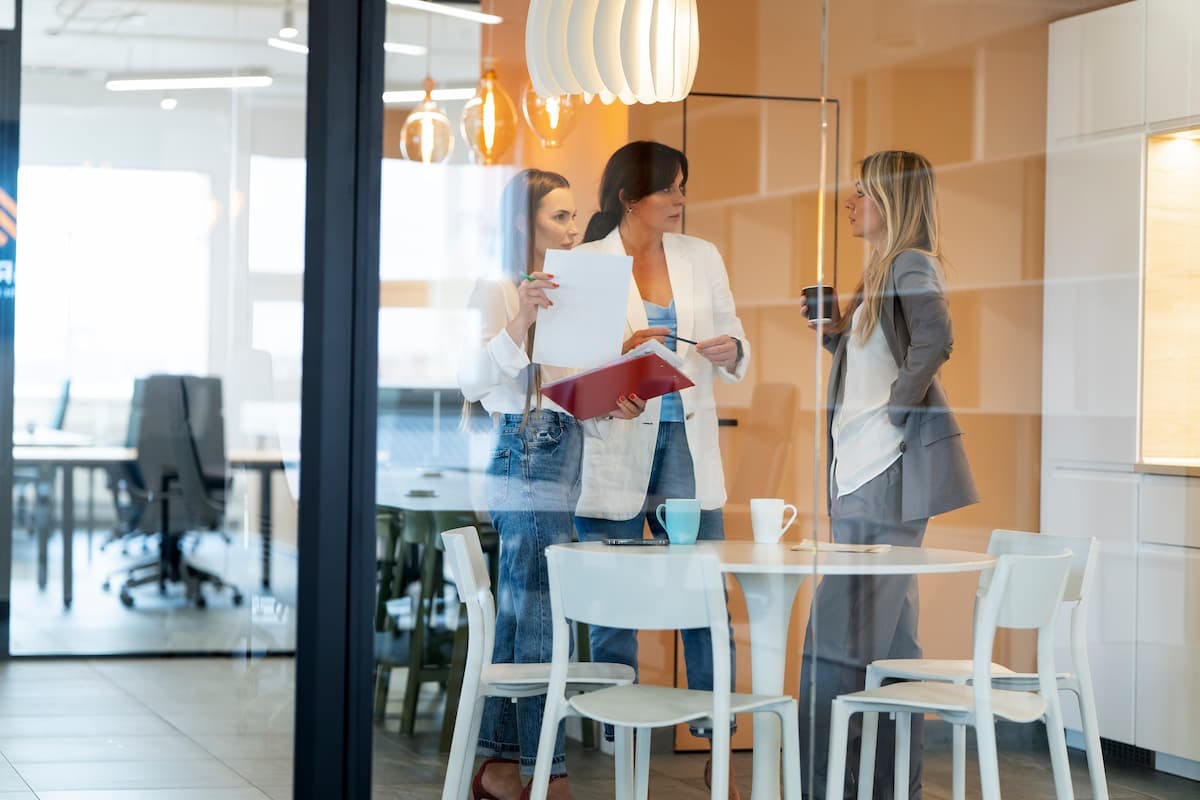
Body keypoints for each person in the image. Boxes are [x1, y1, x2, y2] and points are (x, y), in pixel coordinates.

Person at [458, 169, 645, 800]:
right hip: (522, 446)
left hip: (559, 443)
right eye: (558, 217)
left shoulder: (568, 287)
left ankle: (501, 764)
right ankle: (546, 774)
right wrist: (524, 318)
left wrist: (611, 398)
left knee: (524, 608)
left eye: (573, 217)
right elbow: (472, 380)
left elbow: (565, 389)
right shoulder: (496, 286)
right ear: (522, 222)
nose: (572, 229)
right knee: (539, 609)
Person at [571, 141, 750, 799]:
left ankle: (718, 747)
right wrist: (619, 355)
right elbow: (566, 369)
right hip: (616, 442)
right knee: (616, 602)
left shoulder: (701, 257)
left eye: (682, 188)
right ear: (627, 196)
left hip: (687, 446)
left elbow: (734, 338)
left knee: (706, 599)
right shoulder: (587, 264)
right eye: (668, 190)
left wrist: (736, 348)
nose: (680, 201)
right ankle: (623, 743)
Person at [800, 150, 978, 800]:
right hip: (865, 477)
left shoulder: (908, 263)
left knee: (831, 647)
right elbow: (877, 368)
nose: (848, 204)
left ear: (891, 202)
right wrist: (835, 335)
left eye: (860, 194)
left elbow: (936, 338)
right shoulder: (882, 272)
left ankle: (818, 788)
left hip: (884, 476)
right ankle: (887, 788)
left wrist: (899, 414)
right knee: (892, 646)